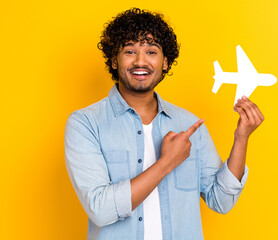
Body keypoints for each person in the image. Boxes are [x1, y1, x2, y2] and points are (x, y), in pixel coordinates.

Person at [65, 7, 264, 240]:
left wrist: (242, 138)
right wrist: (168, 162)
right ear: (114, 60)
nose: (141, 61)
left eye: (151, 51)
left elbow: (221, 200)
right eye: (129, 51)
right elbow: (100, 209)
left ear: (166, 62)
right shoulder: (86, 123)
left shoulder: (190, 124)